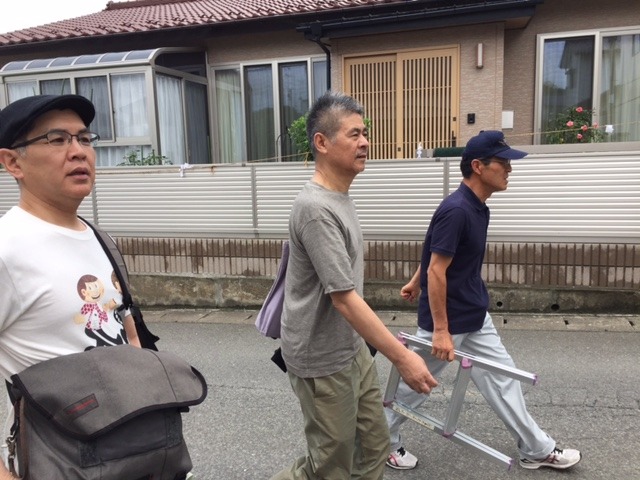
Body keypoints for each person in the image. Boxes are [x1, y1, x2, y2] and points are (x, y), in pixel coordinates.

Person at [385, 130, 582, 472]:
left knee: (505, 380)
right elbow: (437, 268)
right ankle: (378, 442)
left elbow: (435, 250)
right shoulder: (457, 210)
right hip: (447, 322)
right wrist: (441, 330)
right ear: (478, 166)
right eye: (503, 163)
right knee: (414, 385)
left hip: (474, 314)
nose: (509, 169)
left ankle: (536, 449)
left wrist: (415, 282)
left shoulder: (477, 207)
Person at [271, 91, 438, 480]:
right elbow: (344, 299)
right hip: (320, 358)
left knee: (374, 448)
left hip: (351, 350)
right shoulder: (316, 209)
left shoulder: (339, 198)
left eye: (365, 133)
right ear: (322, 142)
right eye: (353, 134)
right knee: (328, 465)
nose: (365, 142)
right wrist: (402, 357)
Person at [0, 94, 141, 479]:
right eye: (57, 139)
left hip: (131, 452)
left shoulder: (100, 239)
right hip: (59, 461)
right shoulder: (7, 248)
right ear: (13, 162)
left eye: (84, 138)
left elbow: (129, 335)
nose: (79, 151)